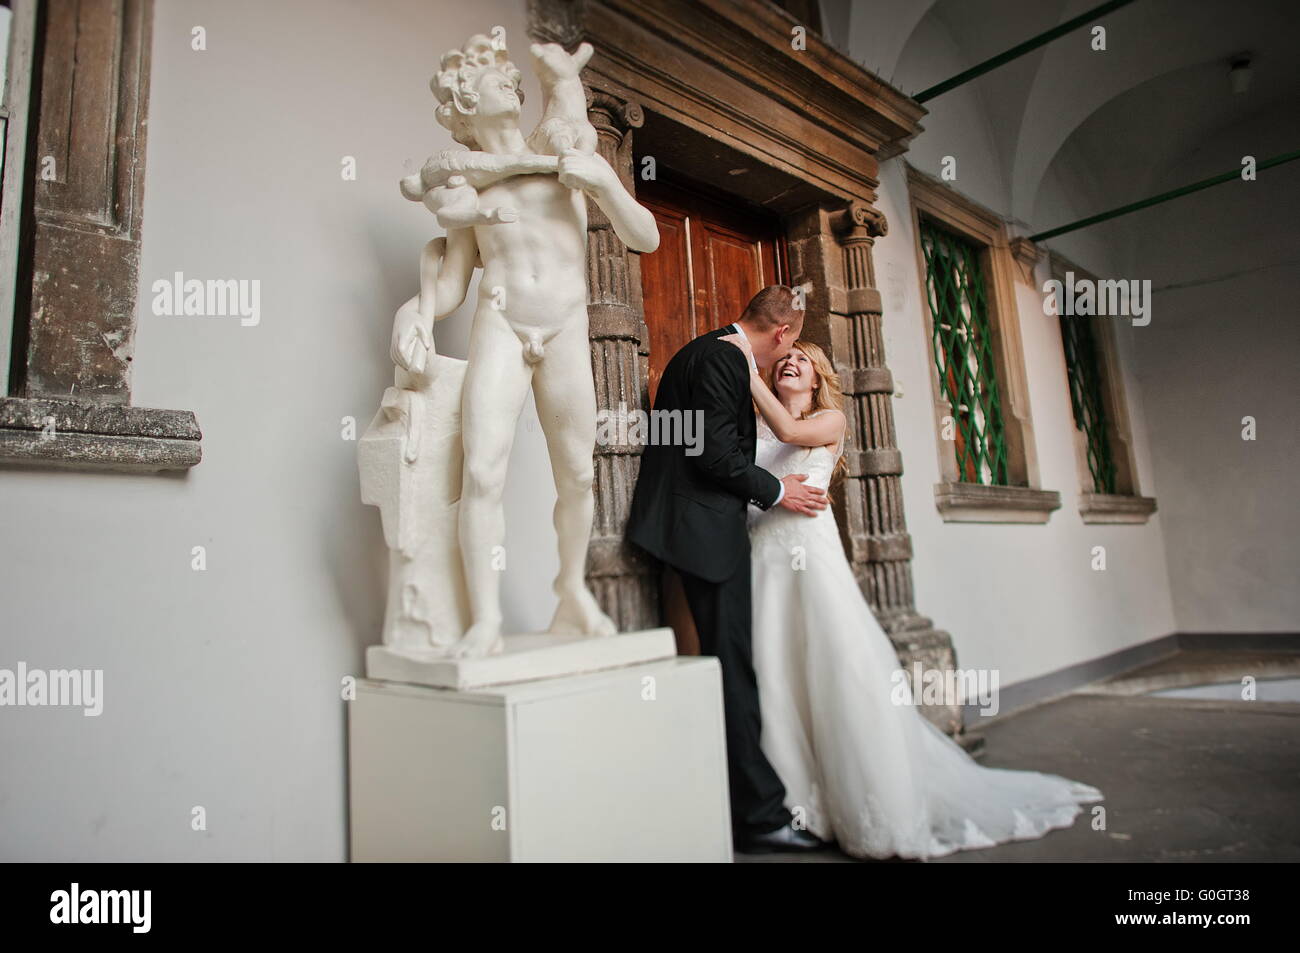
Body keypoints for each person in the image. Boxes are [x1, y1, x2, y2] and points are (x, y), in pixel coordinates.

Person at [718, 332, 1104, 859]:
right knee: (771, 671)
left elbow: (789, 429)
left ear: (817, 377)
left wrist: (747, 368)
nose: (789, 363)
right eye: (784, 358)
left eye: (801, 361)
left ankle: (860, 801)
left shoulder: (829, 421)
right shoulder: (752, 427)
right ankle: (784, 803)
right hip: (762, 557)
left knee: (833, 666)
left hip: (810, 559)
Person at [626, 285, 829, 853]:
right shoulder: (723, 356)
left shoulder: (701, 351)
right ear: (782, 331)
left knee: (713, 663)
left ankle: (721, 797)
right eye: (785, 347)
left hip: (688, 529)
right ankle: (761, 817)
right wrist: (775, 489)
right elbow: (712, 453)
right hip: (702, 533)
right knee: (730, 665)